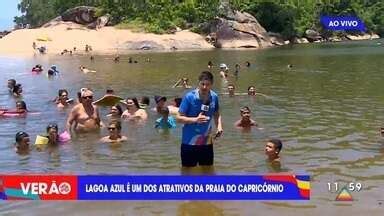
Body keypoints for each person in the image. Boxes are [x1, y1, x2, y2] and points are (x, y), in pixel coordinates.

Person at [176, 71, 223, 169]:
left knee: (208, 171)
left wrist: (219, 126)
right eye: (203, 84)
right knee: (187, 173)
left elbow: (216, 113)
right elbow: (178, 118)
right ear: (199, 83)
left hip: (206, 143)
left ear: (212, 84)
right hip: (189, 143)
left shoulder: (214, 96)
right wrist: (196, 119)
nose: (205, 87)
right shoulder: (189, 97)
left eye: (208, 84)